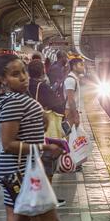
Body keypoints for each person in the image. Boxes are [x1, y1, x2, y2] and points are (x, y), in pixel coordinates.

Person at [0, 54, 63, 221]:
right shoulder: (14, 101)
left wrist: (39, 121)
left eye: (24, 71)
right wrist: (45, 147)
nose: (23, 77)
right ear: (3, 79)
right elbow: (8, 144)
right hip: (20, 171)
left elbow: (23, 129)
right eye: (15, 74)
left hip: (16, 170)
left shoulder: (10, 98)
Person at [28, 60, 67, 207]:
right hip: (43, 129)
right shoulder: (42, 86)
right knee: (47, 163)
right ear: (43, 71)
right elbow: (58, 106)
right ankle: (47, 197)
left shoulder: (27, 86)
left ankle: (36, 195)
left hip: (29, 129)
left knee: (34, 164)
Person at [64, 58, 85, 128]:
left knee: (74, 136)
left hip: (72, 112)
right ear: (74, 67)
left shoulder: (74, 79)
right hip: (70, 113)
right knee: (69, 136)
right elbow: (71, 100)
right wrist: (75, 115)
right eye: (81, 65)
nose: (83, 67)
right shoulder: (71, 80)